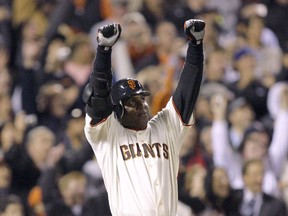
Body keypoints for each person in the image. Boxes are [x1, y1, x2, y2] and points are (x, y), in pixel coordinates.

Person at [83, 19, 205, 215]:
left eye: (142, 99)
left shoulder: (164, 127)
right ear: (117, 110)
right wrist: (104, 51)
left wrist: (196, 47)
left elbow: (187, 93)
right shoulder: (108, 135)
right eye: (132, 102)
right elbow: (99, 97)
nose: (142, 105)